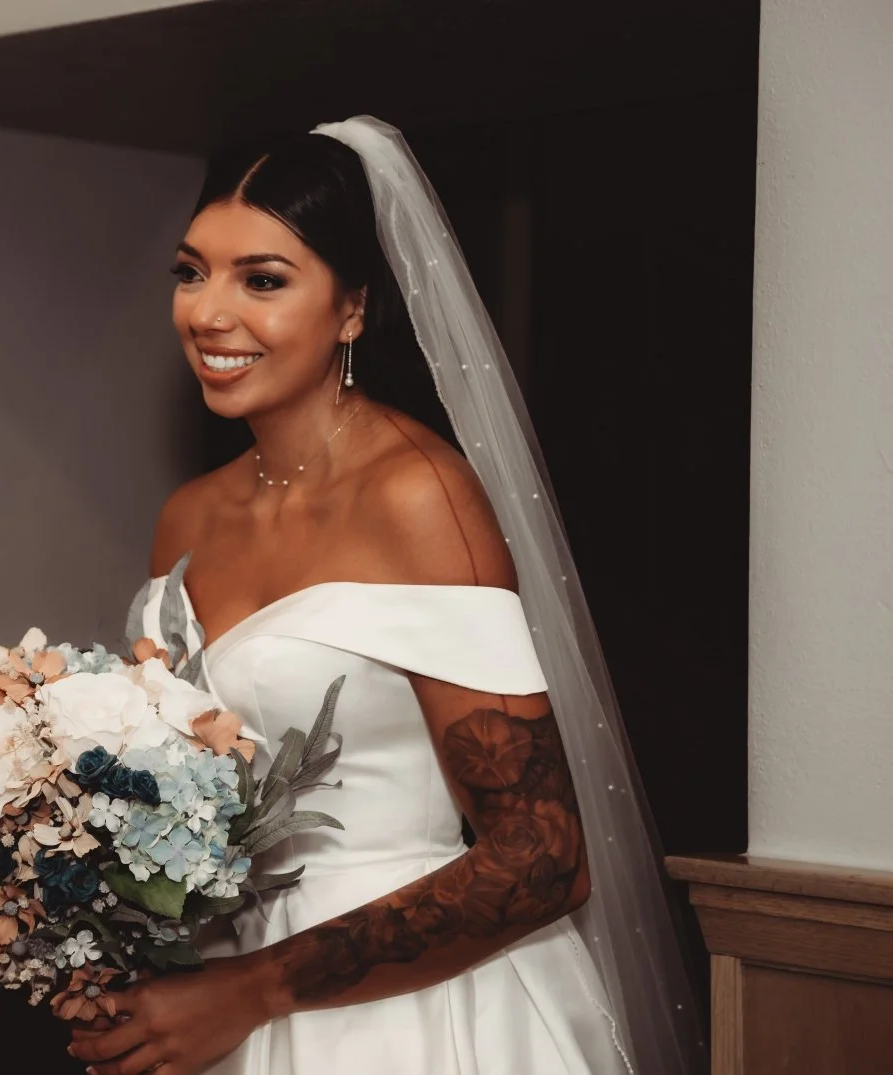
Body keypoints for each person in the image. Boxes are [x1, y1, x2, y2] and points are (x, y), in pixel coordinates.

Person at [64, 117, 705, 1075]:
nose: (207, 312)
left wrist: (253, 989)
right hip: (215, 991)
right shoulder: (187, 517)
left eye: (264, 279)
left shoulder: (417, 497)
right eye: (192, 271)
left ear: (353, 308)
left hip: (411, 1011)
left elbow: (543, 855)